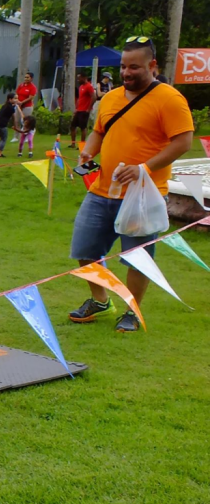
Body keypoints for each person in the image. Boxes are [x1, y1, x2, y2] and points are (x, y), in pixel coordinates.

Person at [71, 36, 193, 333]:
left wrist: (144, 169)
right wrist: (90, 149)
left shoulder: (169, 98)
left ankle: (132, 310)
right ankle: (99, 301)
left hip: (143, 195)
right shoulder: (110, 98)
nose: (126, 73)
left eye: (134, 67)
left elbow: (184, 142)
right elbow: (99, 131)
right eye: (124, 66)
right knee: (85, 250)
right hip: (101, 190)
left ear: (152, 65)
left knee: (137, 257)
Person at [70, 73, 95, 149]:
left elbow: (94, 97)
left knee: (83, 127)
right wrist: (76, 108)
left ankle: (82, 144)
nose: (78, 80)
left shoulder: (89, 86)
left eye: (79, 78)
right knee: (72, 126)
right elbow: (80, 99)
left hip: (84, 110)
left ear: (84, 78)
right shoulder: (81, 87)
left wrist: (89, 108)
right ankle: (73, 144)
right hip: (79, 110)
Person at [0, 93, 17, 158]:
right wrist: (15, 125)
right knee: (4, 139)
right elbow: (14, 117)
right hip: (2, 125)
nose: (16, 100)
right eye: (15, 98)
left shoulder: (5, 106)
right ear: (10, 99)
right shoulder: (11, 108)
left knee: (2, 138)